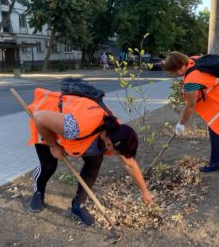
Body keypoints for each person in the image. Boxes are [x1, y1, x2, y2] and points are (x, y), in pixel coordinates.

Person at [27, 87, 152, 226]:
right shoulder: (77, 126)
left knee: (95, 160)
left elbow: (129, 164)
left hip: (72, 126)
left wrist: (144, 191)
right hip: (46, 125)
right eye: (118, 152)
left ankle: (78, 205)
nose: (118, 156)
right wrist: (53, 146)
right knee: (48, 166)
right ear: (109, 143)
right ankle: (38, 192)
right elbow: (39, 118)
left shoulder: (115, 129)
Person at [164, 51, 219, 173]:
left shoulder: (191, 80)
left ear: (181, 65)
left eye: (174, 71)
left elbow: (191, 105)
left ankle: (216, 164)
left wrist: (181, 123)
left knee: (217, 130)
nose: (175, 74)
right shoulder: (193, 60)